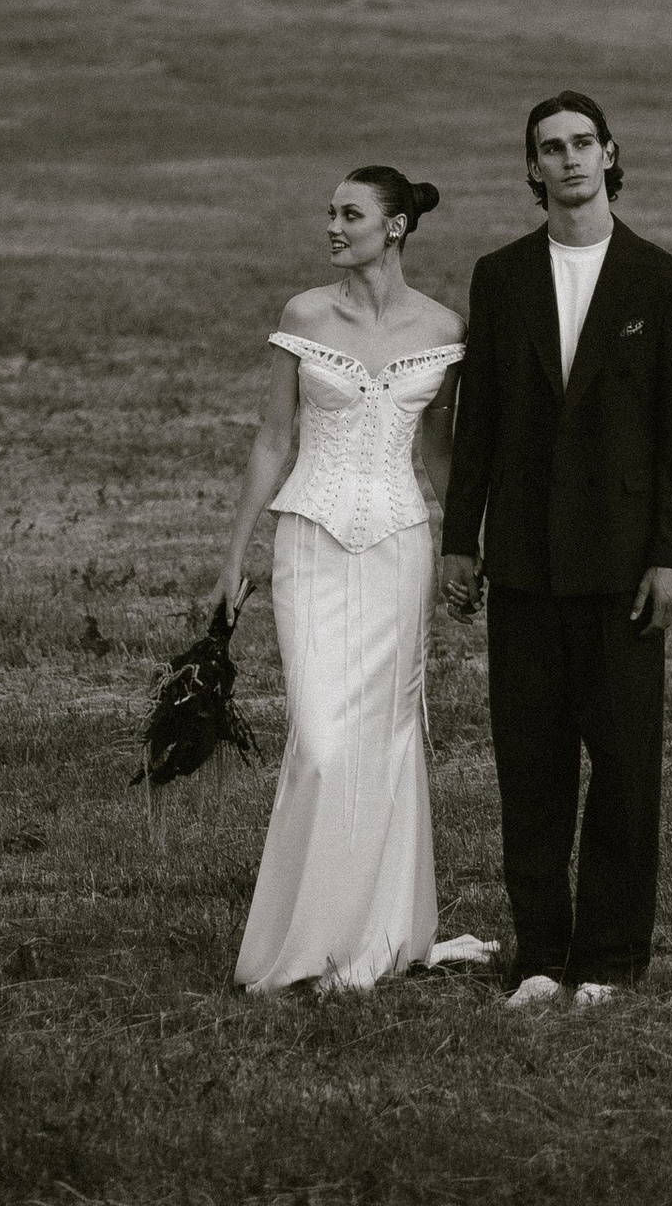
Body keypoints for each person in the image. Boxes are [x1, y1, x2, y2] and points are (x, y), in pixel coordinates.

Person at [440, 90, 672, 1008]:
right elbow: (477, 425)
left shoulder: (665, 283)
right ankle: (541, 958)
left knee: (628, 768)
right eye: (549, 148)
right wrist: (459, 542)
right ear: (531, 168)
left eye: (583, 144)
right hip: (522, 563)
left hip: (626, 568)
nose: (568, 160)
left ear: (611, 155)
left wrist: (671, 556)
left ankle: (610, 960)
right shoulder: (500, 277)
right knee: (532, 766)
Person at [213, 164, 473, 992]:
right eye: (329, 211)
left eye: (349, 214)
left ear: (393, 228)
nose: (331, 226)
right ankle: (301, 940)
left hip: (400, 545)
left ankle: (379, 936)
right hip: (311, 543)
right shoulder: (304, 314)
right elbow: (271, 441)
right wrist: (232, 558)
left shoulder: (442, 324)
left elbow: (438, 450)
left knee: (388, 741)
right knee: (322, 742)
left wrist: (472, 542)